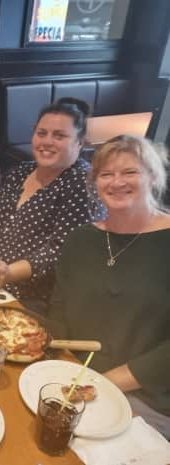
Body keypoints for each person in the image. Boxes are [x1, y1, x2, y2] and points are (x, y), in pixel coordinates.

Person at [48, 135, 170, 438]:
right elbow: (59, 307)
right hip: (72, 380)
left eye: (130, 172)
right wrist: (57, 368)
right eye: (106, 174)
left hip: (143, 398)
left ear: (153, 176)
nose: (117, 182)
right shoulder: (80, 239)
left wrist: (106, 382)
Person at [0, 97, 104, 313]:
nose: (47, 141)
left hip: (32, 298)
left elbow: (62, 252)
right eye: (42, 133)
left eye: (59, 136)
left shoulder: (83, 184)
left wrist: (7, 273)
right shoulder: (20, 172)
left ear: (80, 142)